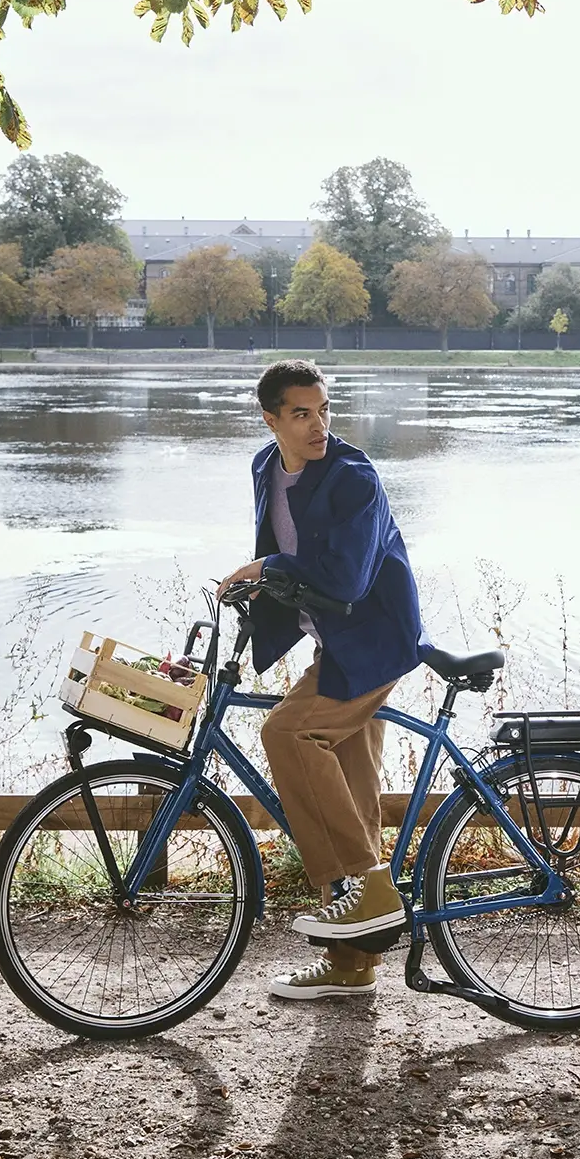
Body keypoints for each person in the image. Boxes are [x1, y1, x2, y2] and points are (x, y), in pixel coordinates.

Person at [217, 359, 425, 1002]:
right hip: (332, 641)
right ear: (270, 418)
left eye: (325, 410)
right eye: (302, 414)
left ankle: (370, 883)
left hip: (373, 643)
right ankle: (352, 964)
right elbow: (286, 548)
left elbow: (347, 579)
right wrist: (257, 593)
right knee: (352, 804)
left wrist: (266, 564)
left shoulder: (354, 478)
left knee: (287, 733)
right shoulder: (265, 467)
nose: (318, 426)